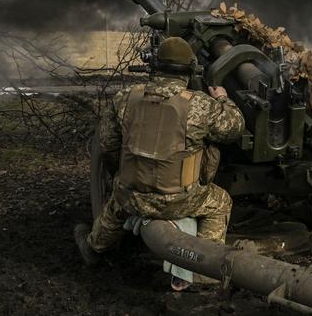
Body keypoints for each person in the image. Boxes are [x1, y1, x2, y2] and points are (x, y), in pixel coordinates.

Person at [74, 36, 245, 275]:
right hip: (179, 201)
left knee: (117, 201)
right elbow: (234, 128)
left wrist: (124, 176)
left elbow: (108, 146)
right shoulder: (201, 105)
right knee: (220, 203)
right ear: (189, 69)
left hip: (132, 195)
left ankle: (94, 248)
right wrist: (222, 98)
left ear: (154, 67)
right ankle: (203, 270)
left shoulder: (125, 98)